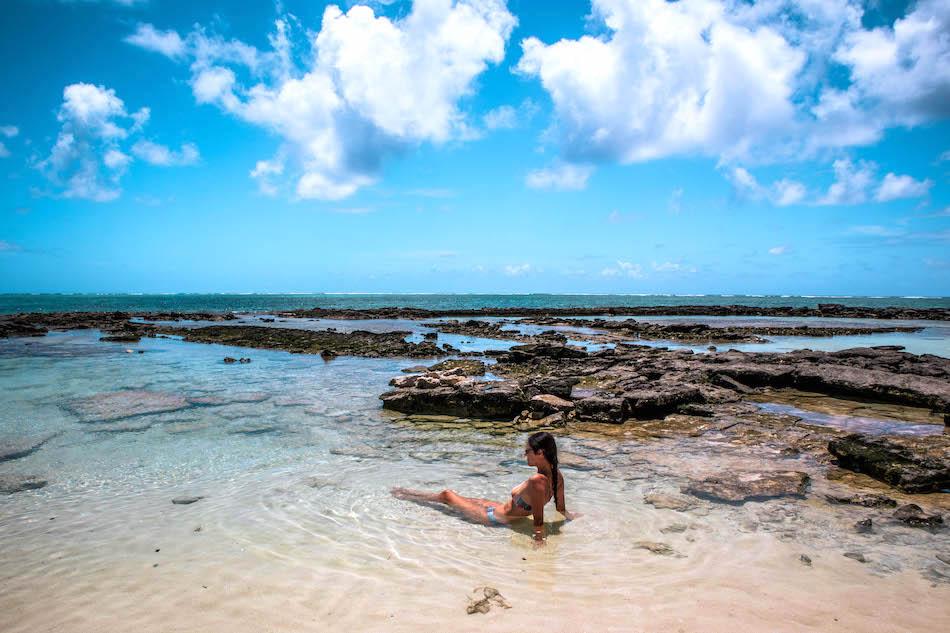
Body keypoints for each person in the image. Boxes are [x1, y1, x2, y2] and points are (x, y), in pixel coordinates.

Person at [391, 431, 578, 544]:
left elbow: (538, 521)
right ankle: (406, 493)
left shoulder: (538, 481)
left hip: (494, 518)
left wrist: (539, 542)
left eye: (527, 451)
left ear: (540, 452)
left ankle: (407, 495)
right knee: (466, 499)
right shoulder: (556, 476)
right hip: (498, 507)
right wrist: (571, 518)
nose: (525, 455)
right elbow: (561, 509)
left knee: (447, 496)